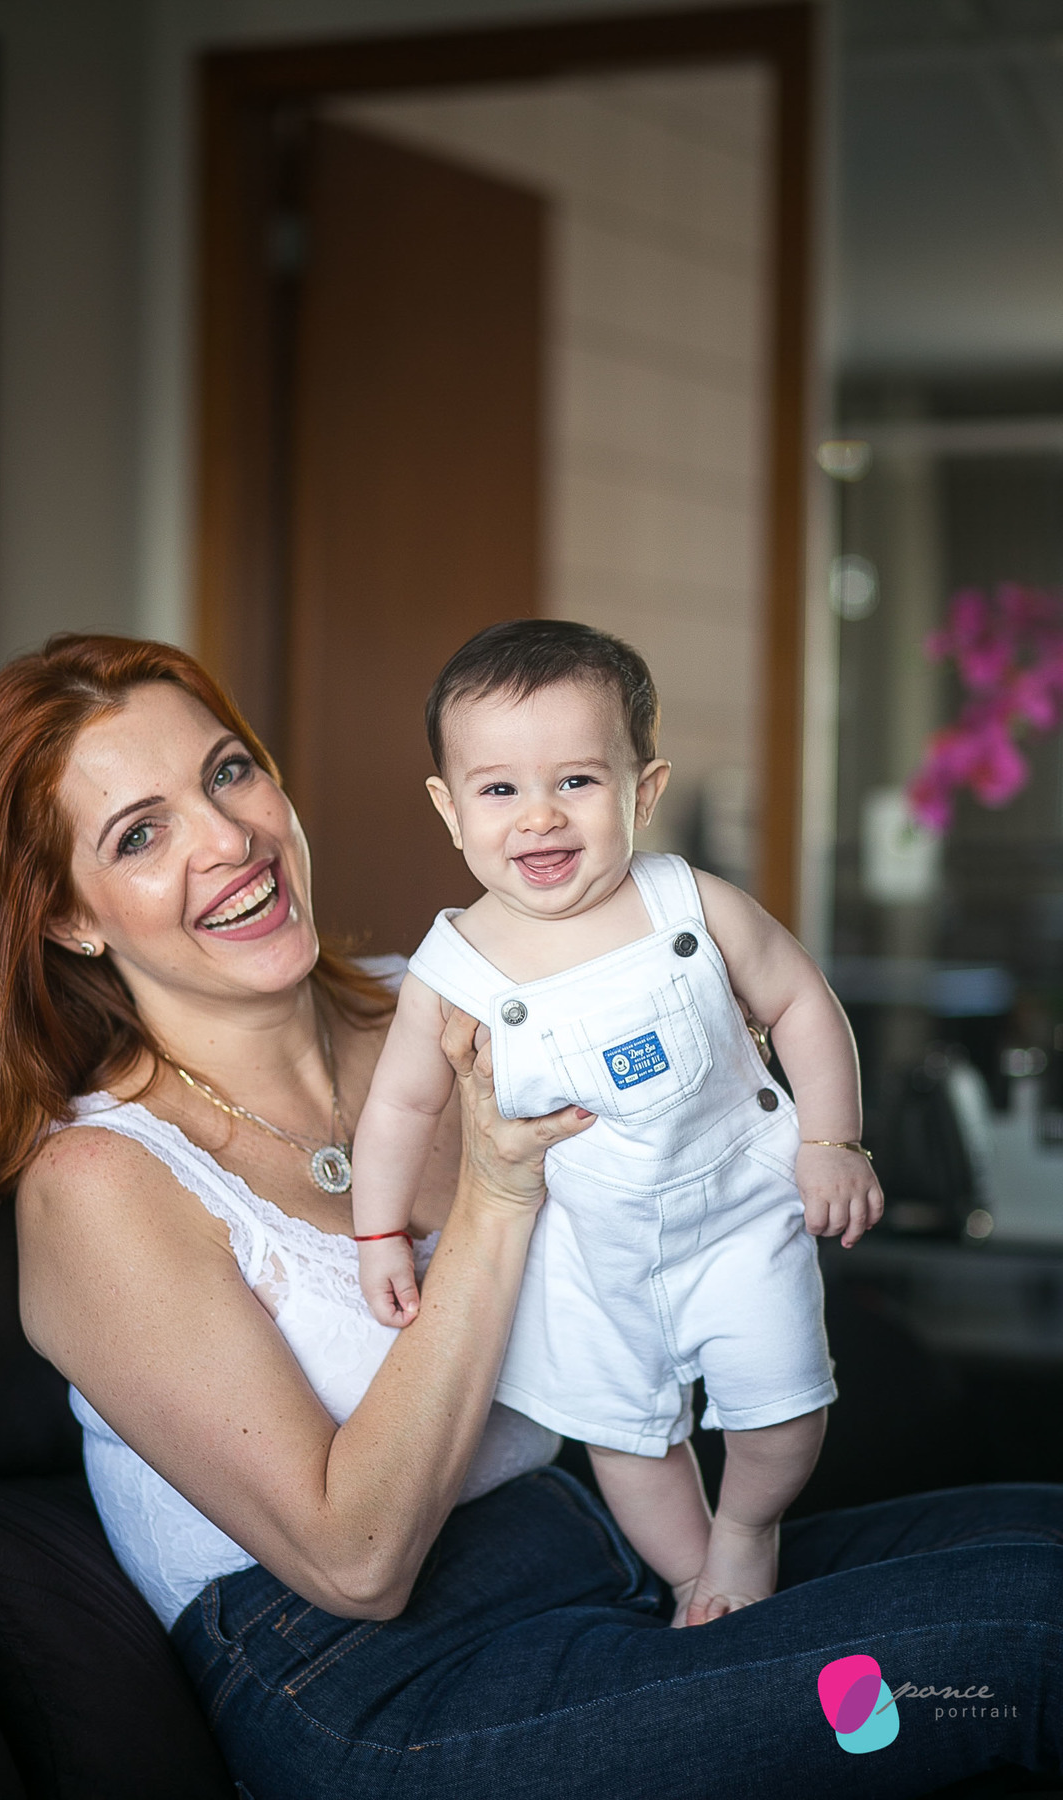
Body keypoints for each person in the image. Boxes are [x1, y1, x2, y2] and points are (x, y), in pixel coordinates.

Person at [0, 632, 1063, 1800]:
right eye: (140, 834)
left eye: (229, 772)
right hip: (386, 1689)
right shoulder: (101, 1183)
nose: (227, 839)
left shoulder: (461, 991)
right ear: (68, 916)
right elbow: (355, 1562)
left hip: (609, 1547)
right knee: (1029, 1640)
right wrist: (496, 1197)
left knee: (1044, 1536)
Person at [351, 619, 882, 1625]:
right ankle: (692, 1578)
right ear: (449, 809)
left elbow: (801, 1001)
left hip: (736, 1217)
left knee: (787, 1409)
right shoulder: (452, 968)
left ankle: (747, 1530)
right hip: (587, 1253)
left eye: (577, 781)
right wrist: (377, 1230)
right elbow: (402, 1105)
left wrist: (831, 1142)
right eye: (499, 790)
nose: (539, 817)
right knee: (627, 1439)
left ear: (643, 791)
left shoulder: (690, 903)